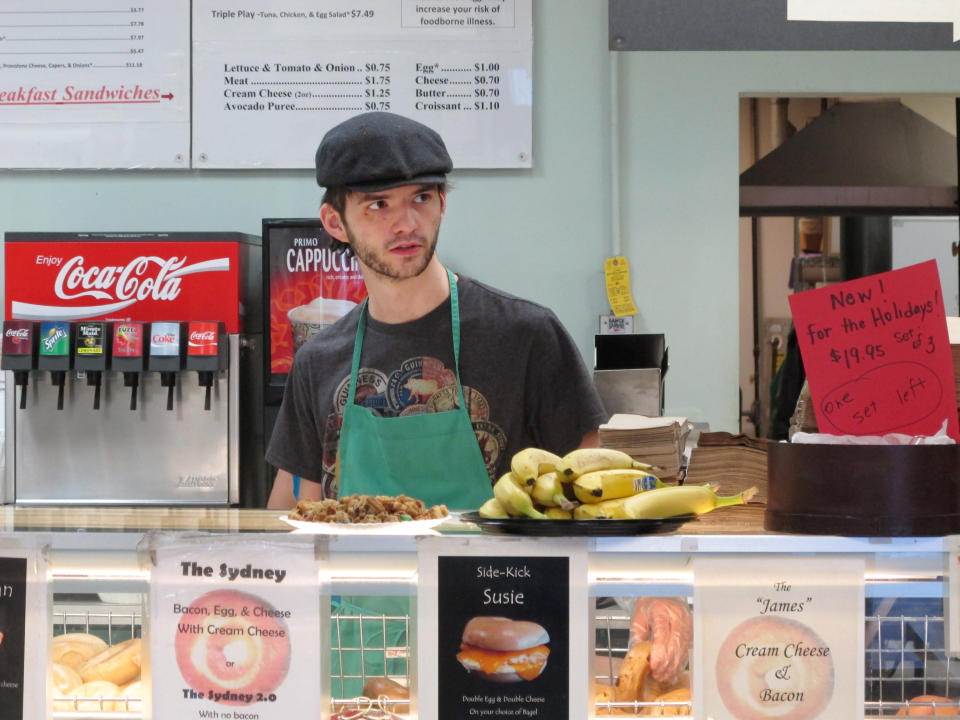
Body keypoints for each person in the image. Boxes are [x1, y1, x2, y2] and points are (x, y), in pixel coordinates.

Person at [266, 111, 607, 510]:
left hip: (498, 573)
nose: (406, 224)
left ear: (442, 203)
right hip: (359, 573)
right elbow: (294, 517)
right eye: (378, 205)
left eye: (421, 198)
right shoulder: (317, 363)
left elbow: (592, 495)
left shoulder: (526, 335)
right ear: (335, 222)